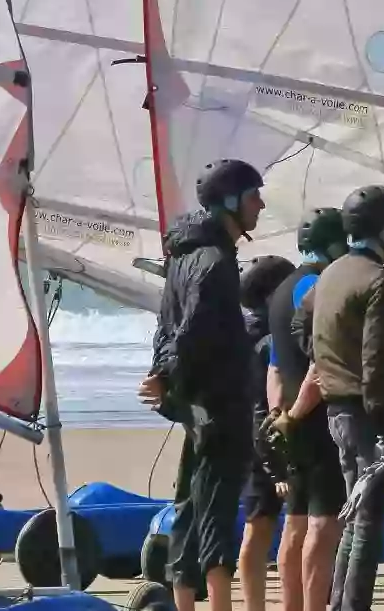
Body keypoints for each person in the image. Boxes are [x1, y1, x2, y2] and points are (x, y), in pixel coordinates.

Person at [138, 158, 266, 611]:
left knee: (190, 508)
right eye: (254, 197)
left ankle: (186, 604)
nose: (261, 204)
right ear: (229, 202)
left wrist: (164, 376)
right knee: (214, 511)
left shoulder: (184, 256)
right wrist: (168, 376)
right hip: (220, 404)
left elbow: (165, 326)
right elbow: (192, 330)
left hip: (196, 401)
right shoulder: (214, 263)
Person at [293, 185, 384, 611]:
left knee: (352, 518)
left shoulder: (328, 274)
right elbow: (376, 360)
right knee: (368, 526)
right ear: (383, 230)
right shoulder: (381, 281)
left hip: (336, 412)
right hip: (366, 416)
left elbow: (299, 325)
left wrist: (325, 363)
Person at [265, 209, 351, 611]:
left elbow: (276, 366)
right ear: (334, 245)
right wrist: (297, 417)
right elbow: (322, 364)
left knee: (295, 523)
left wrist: (279, 417)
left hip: (290, 418)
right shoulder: (319, 286)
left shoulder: (282, 289)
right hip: (315, 418)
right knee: (323, 521)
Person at [237, 255, 297, 611]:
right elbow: (269, 403)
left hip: (245, 437)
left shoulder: (235, 332)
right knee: (289, 525)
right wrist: (278, 465)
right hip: (272, 440)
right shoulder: (272, 338)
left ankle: (253, 606)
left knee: (256, 527)